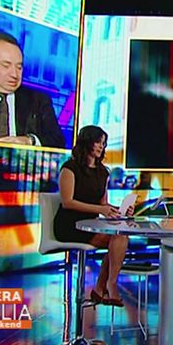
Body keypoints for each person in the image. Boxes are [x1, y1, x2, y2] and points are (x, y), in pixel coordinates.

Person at [54, 125, 129, 307]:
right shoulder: (70, 168)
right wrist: (100, 209)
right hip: (70, 225)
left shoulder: (103, 172)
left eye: (103, 143)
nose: (101, 146)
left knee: (120, 236)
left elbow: (103, 203)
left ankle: (105, 285)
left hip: (92, 225)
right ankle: (104, 287)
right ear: (87, 142)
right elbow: (68, 202)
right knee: (116, 240)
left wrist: (119, 210)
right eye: (98, 142)